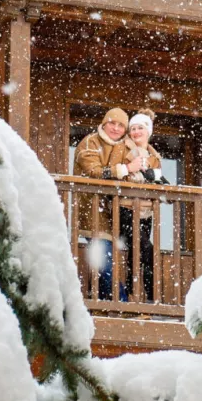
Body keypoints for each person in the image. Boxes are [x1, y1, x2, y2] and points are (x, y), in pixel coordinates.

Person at [73, 108, 129, 299]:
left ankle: (108, 303)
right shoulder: (90, 142)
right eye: (112, 123)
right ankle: (120, 303)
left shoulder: (124, 146)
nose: (115, 128)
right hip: (93, 211)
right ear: (104, 124)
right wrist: (124, 169)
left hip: (116, 213)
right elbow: (94, 171)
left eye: (121, 125)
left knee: (108, 261)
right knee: (104, 261)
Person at [120, 112, 165, 302]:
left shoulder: (154, 156)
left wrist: (158, 181)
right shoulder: (123, 149)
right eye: (133, 129)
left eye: (140, 128)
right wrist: (131, 169)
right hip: (127, 207)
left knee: (138, 253)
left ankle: (139, 296)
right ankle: (149, 297)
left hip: (146, 211)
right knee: (145, 249)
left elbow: (158, 181)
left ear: (149, 131)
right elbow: (117, 171)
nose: (136, 132)